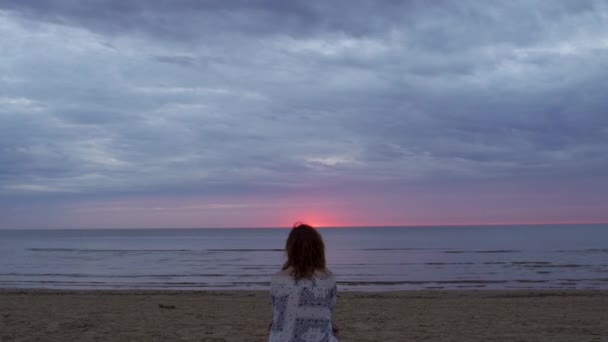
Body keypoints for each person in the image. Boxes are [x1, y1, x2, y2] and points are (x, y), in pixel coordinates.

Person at [268, 223, 339, 341]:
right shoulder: (327, 279)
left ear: (290, 248)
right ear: (318, 248)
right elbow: (328, 310)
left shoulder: (278, 279)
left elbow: (278, 312)